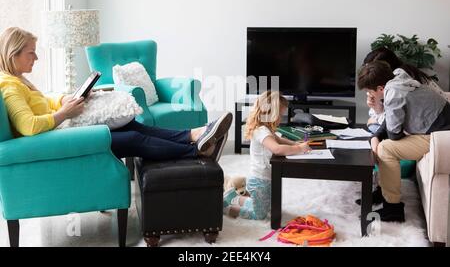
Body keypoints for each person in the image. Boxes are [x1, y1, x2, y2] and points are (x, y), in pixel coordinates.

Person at [0, 27, 232, 163]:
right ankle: (197, 151)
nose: (36, 58)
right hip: (54, 140)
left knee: (134, 126)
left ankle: (195, 133)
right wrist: (63, 113)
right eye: (31, 53)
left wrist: (63, 100)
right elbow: (29, 126)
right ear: (13, 54)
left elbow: (42, 101)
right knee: (132, 139)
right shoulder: (10, 87)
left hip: (58, 130)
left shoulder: (19, 80)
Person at [357, 61, 450, 222]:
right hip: (438, 131)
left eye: (370, 92)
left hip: (441, 137)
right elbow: (390, 124)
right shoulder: (399, 79)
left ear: (380, 88)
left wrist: (379, 138)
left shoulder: (392, 93)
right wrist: (376, 136)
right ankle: (384, 189)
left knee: (386, 148)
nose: (371, 96)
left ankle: (393, 209)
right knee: (383, 144)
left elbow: (394, 134)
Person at [223, 91, 311, 220]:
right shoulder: (261, 131)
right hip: (260, 181)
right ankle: (225, 208)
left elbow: (280, 140)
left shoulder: (266, 129)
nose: (281, 118)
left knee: (267, 206)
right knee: (259, 215)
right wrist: (298, 148)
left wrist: (296, 143)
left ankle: (233, 197)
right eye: (280, 115)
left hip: (265, 179)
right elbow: (277, 149)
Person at [363, 48, 450, 133]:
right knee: (373, 125)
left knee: (374, 126)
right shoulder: (399, 75)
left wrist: (378, 111)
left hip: (436, 125)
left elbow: (394, 125)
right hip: (437, 120)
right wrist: (377, 107)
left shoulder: (399, 83)